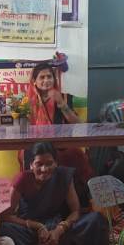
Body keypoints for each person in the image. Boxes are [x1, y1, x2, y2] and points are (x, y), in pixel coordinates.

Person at [0, 142, 110, 245]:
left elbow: (75, 211)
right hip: (30, 230)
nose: (44, 169)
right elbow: (5, 216)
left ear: (56, 163)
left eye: (49, 164)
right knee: (5, 228)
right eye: (39, 164)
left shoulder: (64, 176)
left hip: (58, 227)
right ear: (31, 165)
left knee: (95, 219)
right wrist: (38, 226)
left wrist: (58, 231)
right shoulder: (22, 179)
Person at [25, 62, 93, 205]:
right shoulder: (28, 102)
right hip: (37, 146)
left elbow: (77, 123)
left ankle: (80, 202)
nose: (46, 80)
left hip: (60, 145)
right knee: (25, 153)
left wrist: (61, 103)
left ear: (54, 79)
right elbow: (25, 128)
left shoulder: (64, 97)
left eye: (49, 76)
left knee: (76, 155)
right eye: (42, 77)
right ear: (34, 81)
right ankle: (34, 202)